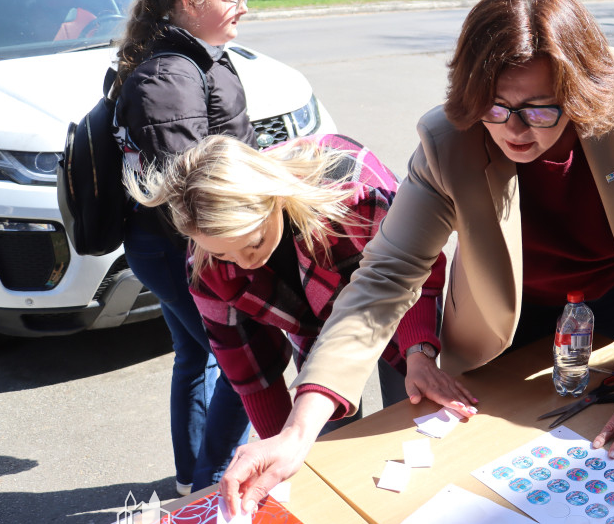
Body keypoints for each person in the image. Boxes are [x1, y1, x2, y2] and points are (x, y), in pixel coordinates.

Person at [220, 0, 614, 514]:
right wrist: (297, 432)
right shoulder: (447, 139)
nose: (514, 129)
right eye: (495, 108)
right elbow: (383, 279)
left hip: (610, 300)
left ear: (579, 90)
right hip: (500, 321)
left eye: (540, 109)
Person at [125, 134, 446, 440]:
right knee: (323, 435)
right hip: (314, 326)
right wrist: (281, 451)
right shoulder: (208, 266)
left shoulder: (352, 193)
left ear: (274, 199)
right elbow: (251, 369)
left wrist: (419, 352)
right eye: (223, 253)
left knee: (412, 410)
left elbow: (416, 270)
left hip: (399, 303)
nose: (242, 263)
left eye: (253, 243)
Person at [113, 0, 254, 494]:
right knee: (242, 361)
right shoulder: (168, 77)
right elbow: (196, 191)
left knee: (195, 357)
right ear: (191, 2)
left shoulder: (183, 60)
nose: (245, 5)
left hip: (161, 246)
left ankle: (190, 480)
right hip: (176, 248)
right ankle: (216, 480)